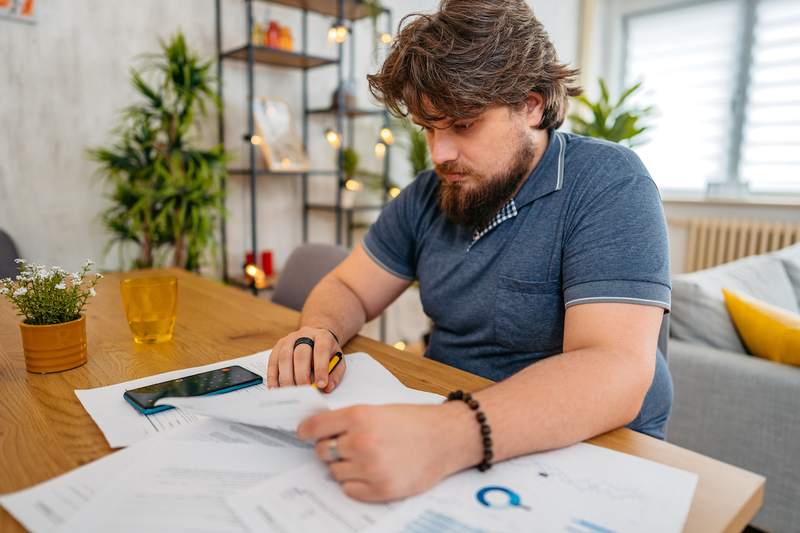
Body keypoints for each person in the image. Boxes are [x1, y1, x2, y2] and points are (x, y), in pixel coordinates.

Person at [267, 0, 672, 503]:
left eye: (462, 125)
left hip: (589, 448)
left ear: (531, 104)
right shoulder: (427, 193)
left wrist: (444, 436)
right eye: (429, 129)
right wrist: (318, 331)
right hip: (453, 426)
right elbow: (348, 285)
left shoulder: (608, 182)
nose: (439, 154)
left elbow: (615, 369)